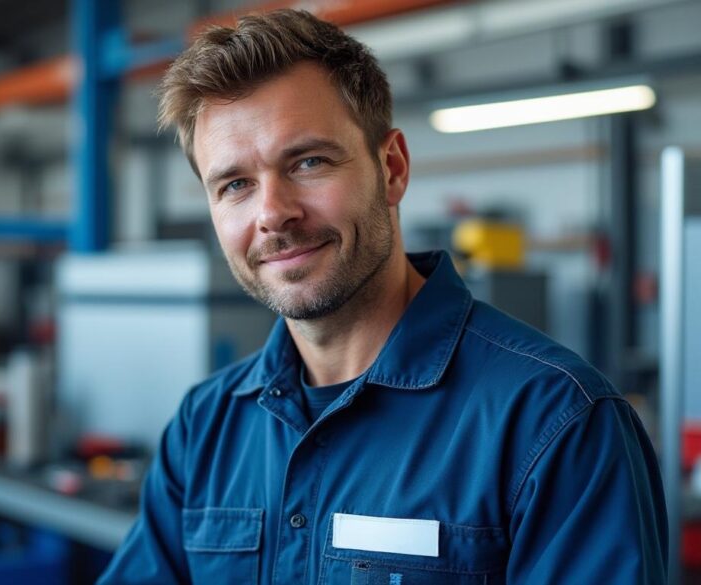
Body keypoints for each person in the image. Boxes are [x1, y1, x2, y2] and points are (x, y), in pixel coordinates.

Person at [98, 9, 667, 584]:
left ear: (391, 168)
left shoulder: (555, 422)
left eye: (308, 161)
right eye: (236, 185)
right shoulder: (206, 425)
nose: (272, 214)